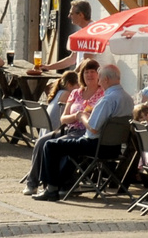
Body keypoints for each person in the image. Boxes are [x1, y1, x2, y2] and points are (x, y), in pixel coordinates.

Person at [29, 64, 133, 200]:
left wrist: (82, 116)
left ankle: (51, 189)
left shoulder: (107, 100)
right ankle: (62, 185)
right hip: (114, 147)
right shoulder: (128, 99)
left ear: (106, 79)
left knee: (51, 145)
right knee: (63, 144)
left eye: (100, 78)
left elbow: (93, 127)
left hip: (95, 145)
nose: (99, 82)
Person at [22, 66, 91, 197]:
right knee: (48, 143)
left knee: (52, 144)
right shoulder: (68, 94)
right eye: (78, 83)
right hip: (59, 129)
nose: (81, 86)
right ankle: (37, 183)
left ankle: (41, 184)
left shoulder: (60, 93)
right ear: (71, 84)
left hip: (57, 130)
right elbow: (63, 120)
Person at [42, 0, 94, 73]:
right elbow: (72, 59)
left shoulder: (93, 32)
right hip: (82, 77)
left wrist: (71, 76)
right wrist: (48, 67)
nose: (69, 16)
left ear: (81, 15)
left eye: (71, 14)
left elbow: (87, 61)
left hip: (92, 79)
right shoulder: (81, 33)